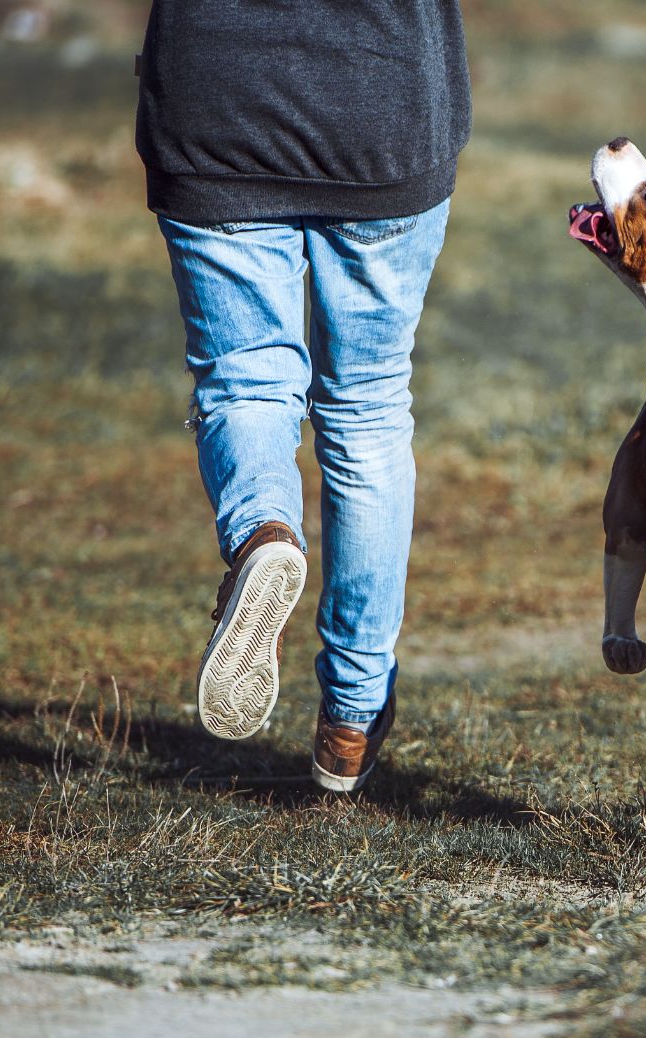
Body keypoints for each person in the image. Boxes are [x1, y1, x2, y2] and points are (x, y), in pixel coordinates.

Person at [134, 1, 471, 791]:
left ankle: (261, 536)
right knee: (367, 407)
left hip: (214, 104)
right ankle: (351, 721)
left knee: (246, 379)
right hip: (384, 107)